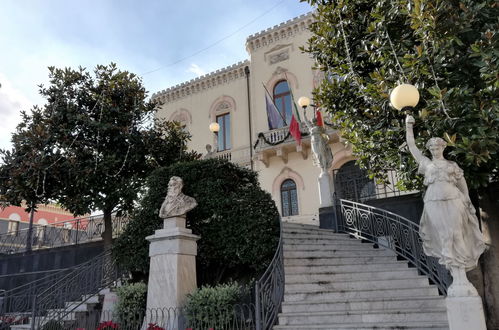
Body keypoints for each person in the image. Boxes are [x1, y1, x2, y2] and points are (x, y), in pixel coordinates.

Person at [405, 115, 486, 294]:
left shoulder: (451, 164)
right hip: (434, 200)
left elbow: (462, 183)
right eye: (431, 147)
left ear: (443, 147)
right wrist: (409, 126)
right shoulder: (426, 164)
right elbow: (412, 147)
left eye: (437, 147)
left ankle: (461, 271)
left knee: (457, 232)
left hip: (453, 198)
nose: (434, 150)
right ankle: (455, 273)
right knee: (443, 234)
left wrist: (466, 198)